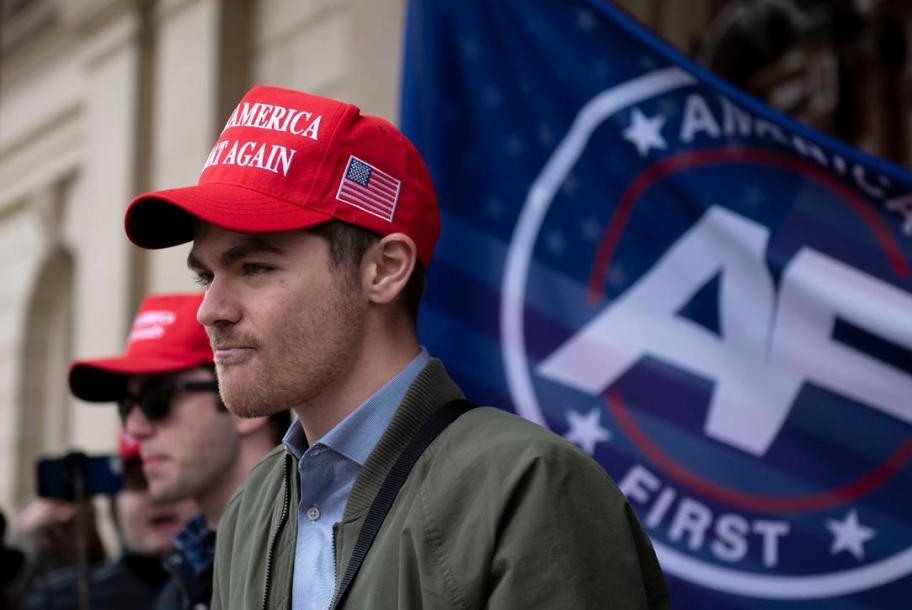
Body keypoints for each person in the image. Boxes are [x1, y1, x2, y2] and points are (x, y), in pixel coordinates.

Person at [123, 86, 670, 609]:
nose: (209, 310)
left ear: (383, 270)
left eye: (255, 267)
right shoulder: (252, 507)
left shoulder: (530, 488)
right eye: (206, 277)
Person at [68, 293, 290, 610]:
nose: (133, 428)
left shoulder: (318, 554)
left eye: (157, 399)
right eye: (126, 406)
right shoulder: (181, 579)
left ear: (246, 406)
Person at [19, 432, 196, 610]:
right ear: (114, 503)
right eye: (138, 481)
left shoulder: (221, 590)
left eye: (173, 478)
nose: (157, 495)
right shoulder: (59, 601)